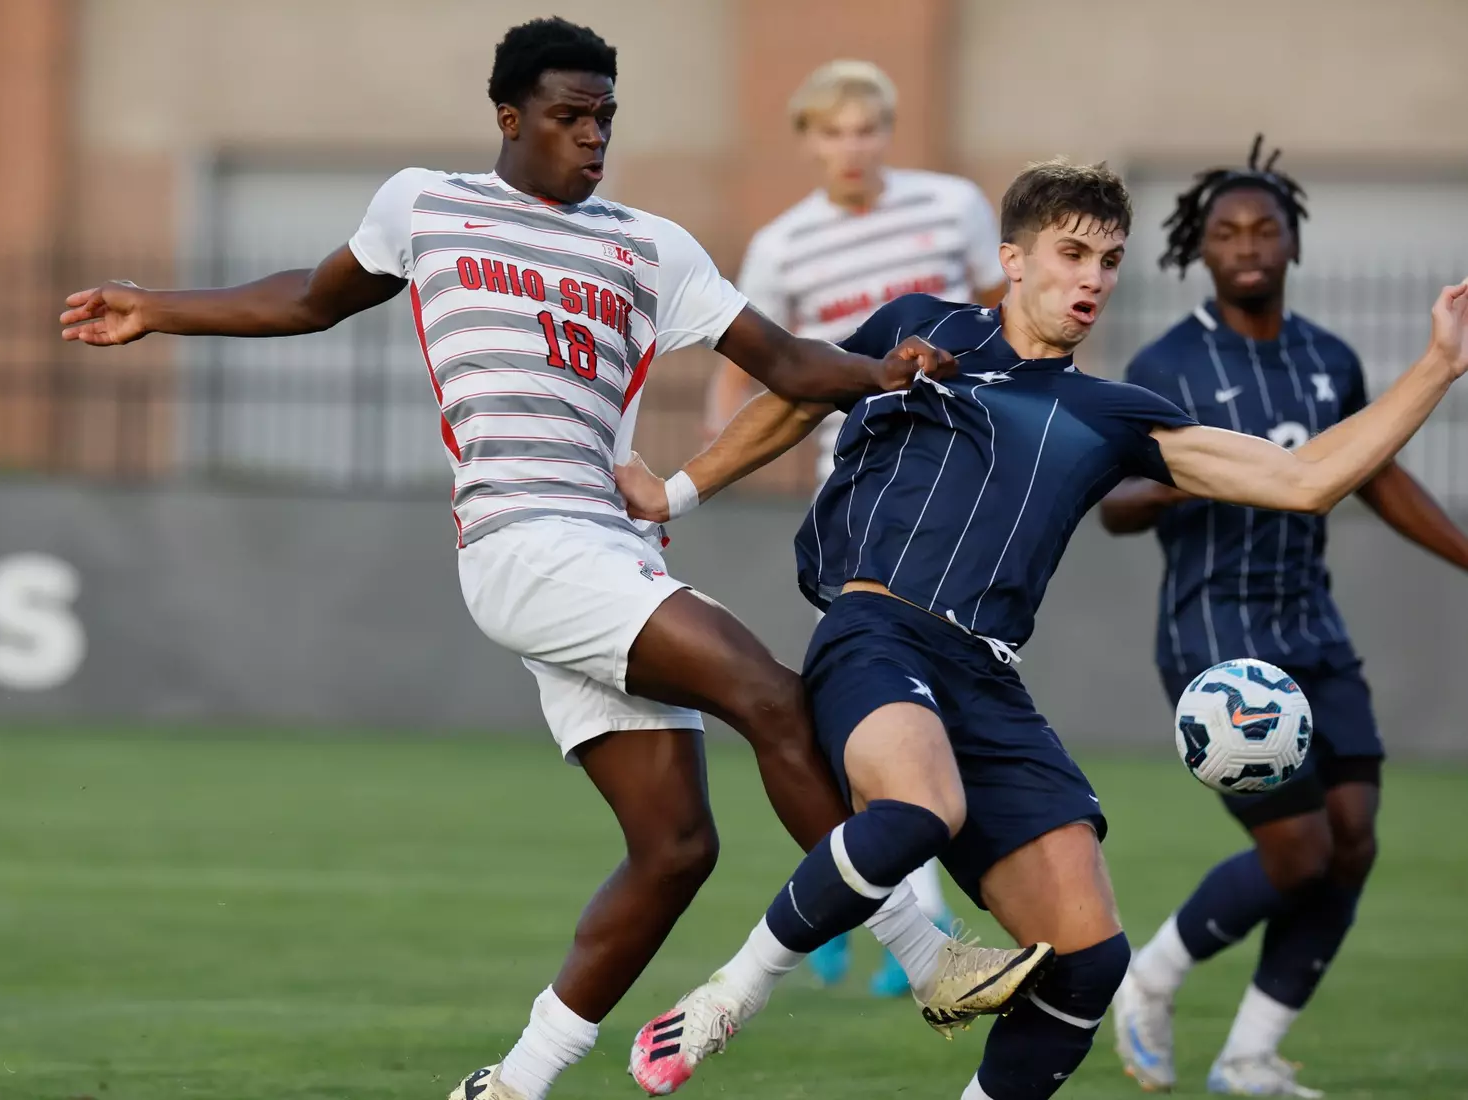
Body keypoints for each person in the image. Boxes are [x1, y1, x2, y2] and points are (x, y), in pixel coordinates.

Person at [58, 18, 1044, 1100]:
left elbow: (790, 362)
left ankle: (512, 1082)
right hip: (521, 541)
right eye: (570, 115)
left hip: (608, 550)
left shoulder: (650, 245)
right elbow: (309, 298)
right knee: (769, 694)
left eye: (605, 116)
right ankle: (928, 957)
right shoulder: (424, 205)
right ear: (510, 117)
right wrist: (156, 308)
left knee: (675, 848)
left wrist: (885, 371)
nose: (592, 136)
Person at [616, 157, 1468, 1100]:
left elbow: (1304, 480)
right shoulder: (920, 326)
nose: (1093, 278)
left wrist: (1438, 364)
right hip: (877, 632)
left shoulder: (1110, 415)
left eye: (1109, 260)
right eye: (1072, 253)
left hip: (988, 675)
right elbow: (796, 397)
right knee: (918, 810)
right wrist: (677, 489)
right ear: (1014, 260)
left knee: (1090, 960)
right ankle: (726, 997)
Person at [1101, 138, 1468, 1098]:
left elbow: (1377, 476)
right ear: (1202, 250)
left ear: (1294, 241)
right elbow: (1114, 506)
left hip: (1312, 625)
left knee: (1354, 838)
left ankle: (1249, 1056)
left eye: (1265, 229)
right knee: (1298, 849)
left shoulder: (1329, 358)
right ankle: (1150, 977)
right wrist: (1190, 474)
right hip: (1216, 637)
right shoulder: (1167, 364)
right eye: (1226, 232)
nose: (1247, 245)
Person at [702, 58, 1008, 998]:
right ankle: (886, 901)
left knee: (908, 704)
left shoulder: (950, 207)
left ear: (887, 131)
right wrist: (722, 459)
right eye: (833, 131)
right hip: (861, 490)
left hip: (961, 478)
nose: (852, 147)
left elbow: (1005, 319)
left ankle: (868, 897)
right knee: (873, 705)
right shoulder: (784, 245)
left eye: (866, 128)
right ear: (809, 140)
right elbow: (745, 364)